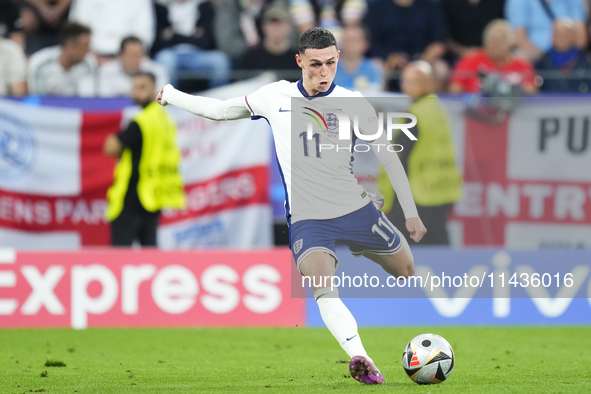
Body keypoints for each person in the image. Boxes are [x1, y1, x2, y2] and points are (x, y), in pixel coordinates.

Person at [156, 27, 426, 384]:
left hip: (355, 209)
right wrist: (172, 94)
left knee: (406, 270)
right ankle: (360, 357)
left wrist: (410, 212)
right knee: (322, 286)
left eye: (330, 63)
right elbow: (221, 111)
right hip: (308, 218)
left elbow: (388, 157)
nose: (323, 72)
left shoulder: (353, 102)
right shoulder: (275, 97)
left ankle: (360, 245)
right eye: (315, 64)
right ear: (299, 61)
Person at [103, 72, 186, 247]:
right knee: (149, 253)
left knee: (120, 254)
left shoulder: (142, 121)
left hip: (133, 194)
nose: (136, 93)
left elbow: (111, 147)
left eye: (142, 88)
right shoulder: (165, 119)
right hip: (154, 195)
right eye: (134, 87)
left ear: (154, 90)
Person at [384, 61, 462, 245]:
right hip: (442, 189)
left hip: (417, 192)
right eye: (405, 81)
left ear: (428, 83)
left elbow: (397, 155)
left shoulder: (415, 114)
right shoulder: (437, 108)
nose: (405, 86)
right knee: (437, 241)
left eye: (411, 82)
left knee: (404, 246)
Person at [365, 0, 447, 91]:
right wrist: (390, 57)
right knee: (376, 67)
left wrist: (423, 60)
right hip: (388, 59)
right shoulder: (377, 7)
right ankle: (381, 104)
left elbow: (439, 41)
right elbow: (371, 41)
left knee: (441, 69)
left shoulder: (430, 6)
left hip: (422, 58)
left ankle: (432, 102)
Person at [154, 0, 230, 88]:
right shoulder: (160, 7)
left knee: (220, 60)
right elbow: (158, 44)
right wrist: (192, 36)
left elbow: (208, 41)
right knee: (165, 60)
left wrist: (174, 35)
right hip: (171, 53)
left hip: (198, 53)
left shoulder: (203, 6)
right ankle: (168, 100)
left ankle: (218, 100)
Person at [449, 19, 538, 94]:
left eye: (500, 41)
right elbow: (454, 89)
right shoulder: (471, 60)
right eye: (492, 40)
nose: (496, 45)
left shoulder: (523, 65)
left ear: (511, 43)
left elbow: (531, 92)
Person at [27, 22, 97, 96]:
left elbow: (88, 99)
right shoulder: (40, 64)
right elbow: (37, 98)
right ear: (70, 47)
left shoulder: (89, 65)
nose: (88, 50)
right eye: (85, 46)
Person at [68, 0, 154, 60]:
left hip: (127, 58)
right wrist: (93, 56)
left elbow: (144, 34)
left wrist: (123, 57)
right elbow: (77, 28)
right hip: (90, 56)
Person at [505, 0, 587, 62]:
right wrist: (545, 59)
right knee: (519, 57)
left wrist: (566, 55)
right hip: (536, 56)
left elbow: (581, 38)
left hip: (569, 55)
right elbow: (518, 38)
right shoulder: (518, 2)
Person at [238, 5, 301, 81]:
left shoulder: (300, 59)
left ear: (289, 26)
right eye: (272, 24)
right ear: (264, 27)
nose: (276, 28)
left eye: (280, 24)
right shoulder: (251, 58)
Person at [99, 36, 169, 97]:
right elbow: (104, 98)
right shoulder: (106, 71)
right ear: (121, 55)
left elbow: (161, 97)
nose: (135, 59)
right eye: (131, 55)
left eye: (139, 55)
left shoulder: (157, 71)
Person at [536, 18, 591, 92]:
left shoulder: (584, 61)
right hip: (550, 102)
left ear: (573, 37)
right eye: (557, 34)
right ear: (552, 36)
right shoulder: (542, 62)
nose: (561, 38)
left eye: (565, 34)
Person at [333, 24, 382, 91]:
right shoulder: (328, 68)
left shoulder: (374, 69)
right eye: (345, 39)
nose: (348, 43)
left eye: (353, 40)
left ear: (365, 44)